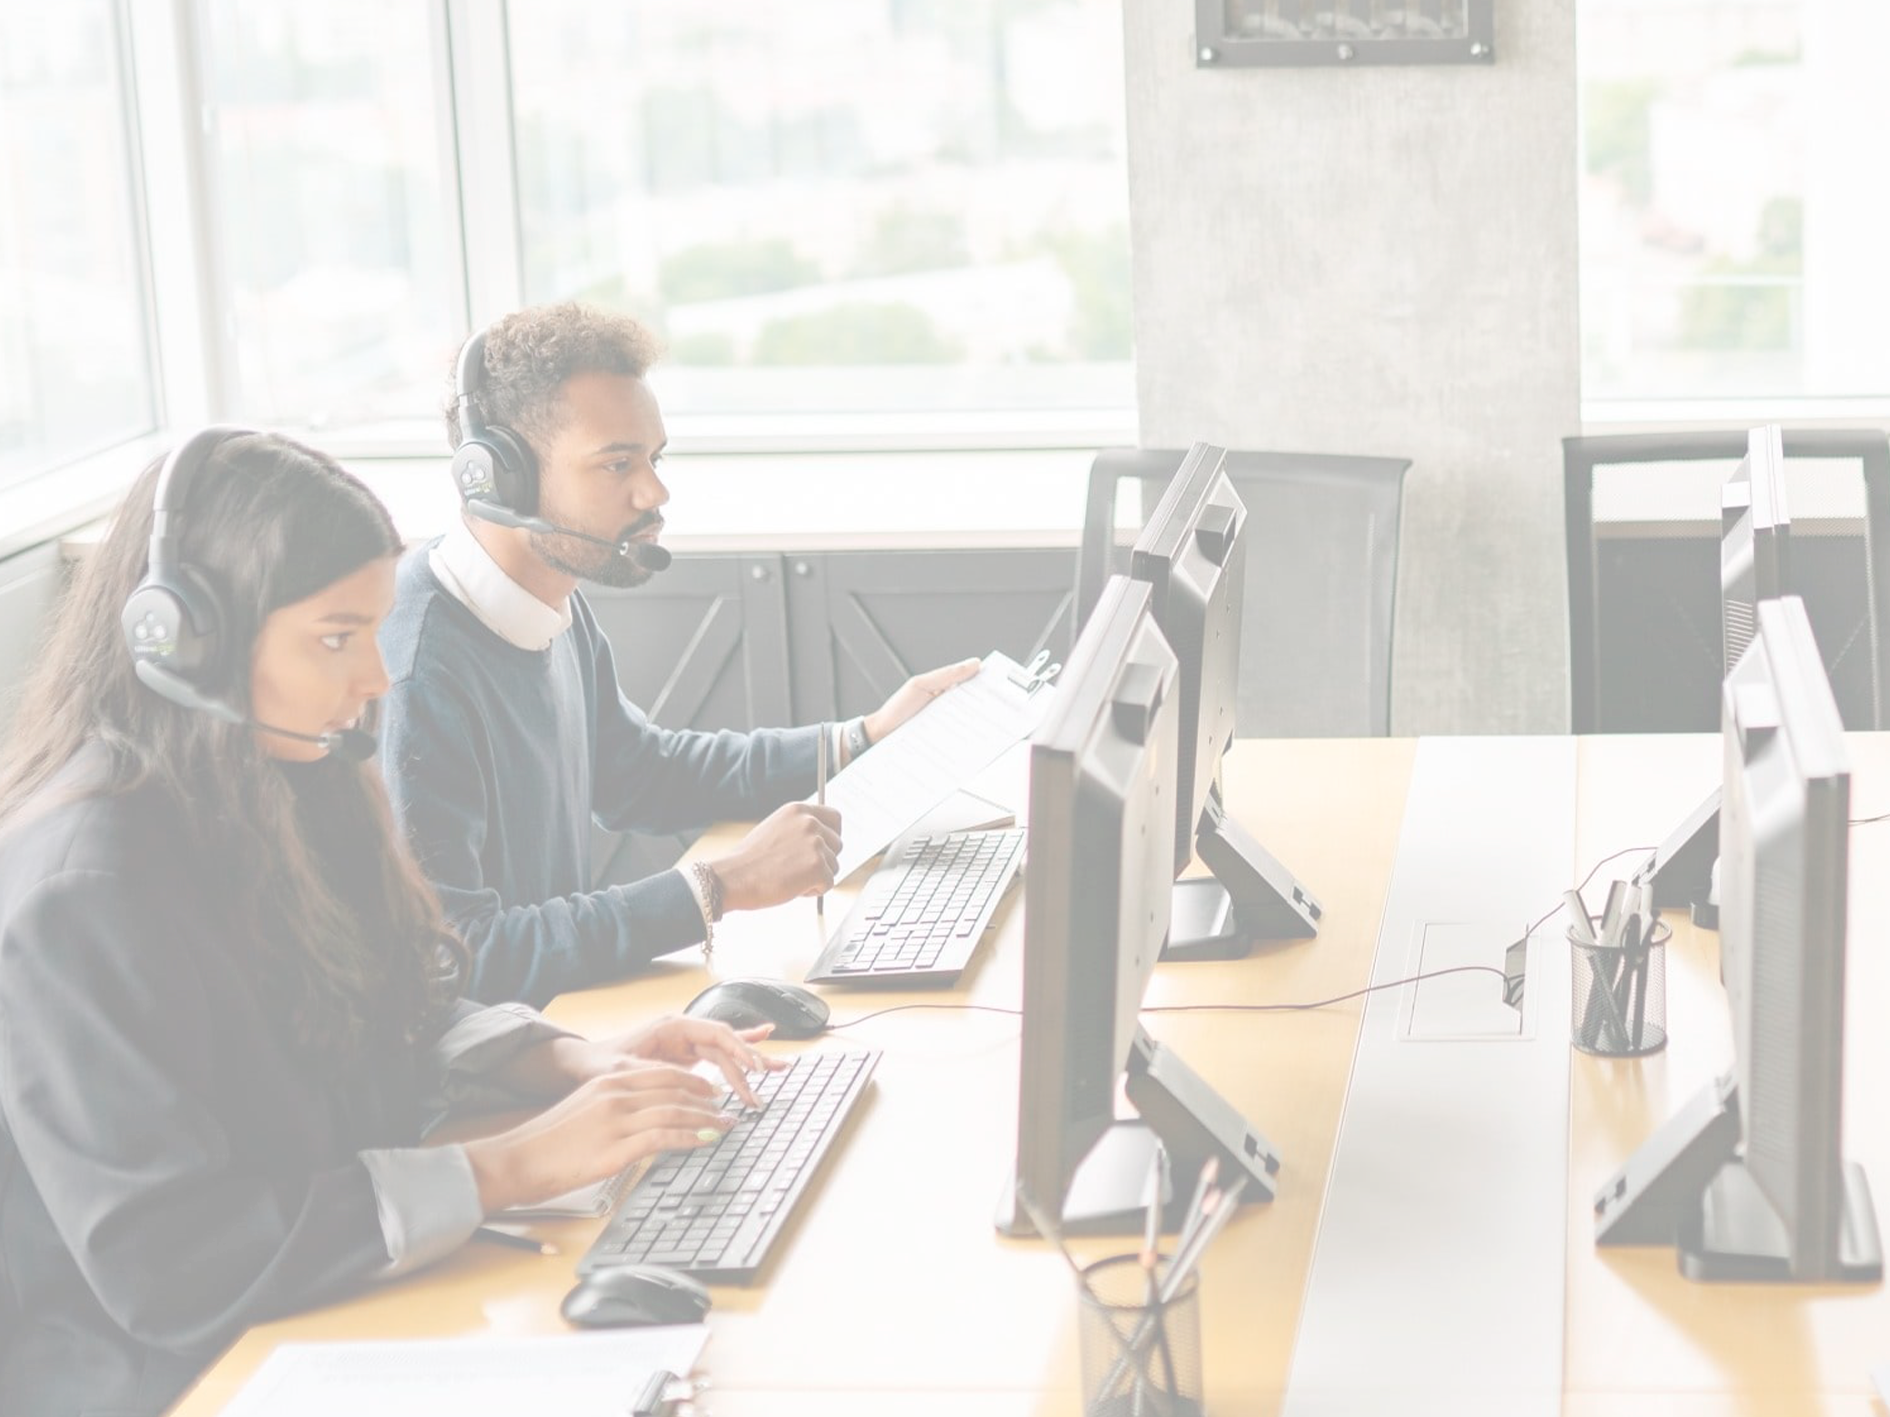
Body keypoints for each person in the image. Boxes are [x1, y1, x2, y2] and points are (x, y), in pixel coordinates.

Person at [0, 430, 777, 1417]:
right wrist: (509, 1166)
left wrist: (562, 1059)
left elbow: (382, 998)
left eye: (373, 629)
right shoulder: (81, 892)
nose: (376, 676)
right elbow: (173, 1261)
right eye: (335, 637)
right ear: (183, 639)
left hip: (317, 1311)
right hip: (173, 1375)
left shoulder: (280, 772)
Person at [377, 302, 981, 1007]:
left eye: (654, 457)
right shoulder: (421, 672)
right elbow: (463, 956)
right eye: (617, 463)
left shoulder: (551, 602)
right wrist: (715, 887)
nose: (654, 492)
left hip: (562, 1035)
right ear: (500, 477)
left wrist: (861, 738)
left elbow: (639, 774)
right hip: (488, 1085)